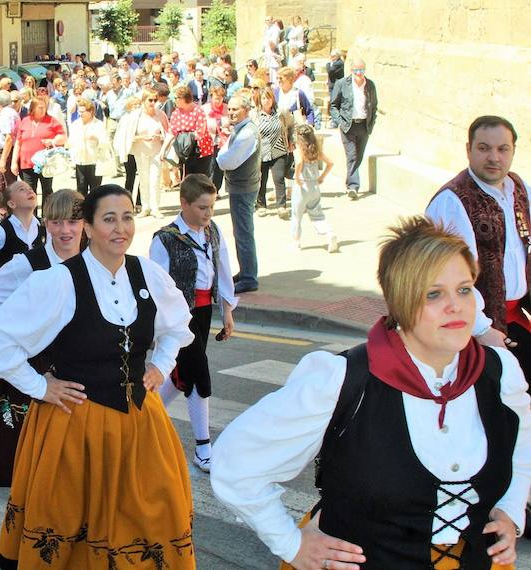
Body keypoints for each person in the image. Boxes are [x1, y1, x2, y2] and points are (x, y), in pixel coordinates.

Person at [212, 216, 531, 570]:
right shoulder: (342, 380)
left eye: (464, 288)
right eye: (433, 294)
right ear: (399, 302)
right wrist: (290, 543)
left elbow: (522, 443)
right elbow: (235, 463)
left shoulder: (498, 373)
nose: (455, 305)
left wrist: (510, 509)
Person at [0, 184, 196, 569]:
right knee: (71, 520)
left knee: (152, 517)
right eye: (108, 219)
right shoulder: (61, 281)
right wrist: (39, 385)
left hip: (141, 426)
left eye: (127, 217)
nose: (120, 228)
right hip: (75, 425)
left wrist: (160, 365)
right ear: (91, 228)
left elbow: (178, 327)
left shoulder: (147, 274)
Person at [0, 189, 84, 488]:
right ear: (45, 223)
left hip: (76, 371)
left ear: (84, 223)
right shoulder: (29, 263)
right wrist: (19, 345)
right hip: (34, 371)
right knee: (30, 463)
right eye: (56, 222)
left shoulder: (92, 261)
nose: (65, 230)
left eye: (73, 221)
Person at [426, 116, 531, 385]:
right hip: (472, 326)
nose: (494, 157)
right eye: (484, 148)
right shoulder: (453, 201)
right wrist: (482, 330)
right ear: (468, 150)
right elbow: (447, 279)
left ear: (513, 151)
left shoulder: (518, 188)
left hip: (515, 317)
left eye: (502, 149)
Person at [150, 174, 237, 473]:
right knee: (199, 375)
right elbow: (157, 287)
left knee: (182, 376)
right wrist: (160, 327)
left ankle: (143, 413)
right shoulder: (164, 238)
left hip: (203, 312)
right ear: (183, 203)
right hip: (178, 317)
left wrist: (227, 311)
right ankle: (203, 448)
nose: (208, 213)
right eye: (202, 207)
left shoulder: (212, 231)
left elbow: (223, 269)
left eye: (211, 206)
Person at [217, 94, 261, 293]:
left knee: (244, 233)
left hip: (244, 187)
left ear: (246, 110)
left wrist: (221, 156)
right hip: (240, 186)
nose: (231, 113)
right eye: (230, 109)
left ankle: (249, 277)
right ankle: (245, 272)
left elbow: (227, 160)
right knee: (241, 232)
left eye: (235, 109)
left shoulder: (247, 133)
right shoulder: (241, 130)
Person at [329, 58, 378, 200]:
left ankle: (349, 182)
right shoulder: (342, 84)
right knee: (352, 155)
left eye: (361, 69)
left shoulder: (370, 86)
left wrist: (372, 123)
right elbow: (333, 105)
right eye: (356, 70)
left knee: (359, 156)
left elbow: (374, 106)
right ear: (351, 70)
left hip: (364, 125)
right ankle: (353, 187)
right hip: (347, 126)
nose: (359, 73)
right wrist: (339, 121)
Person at [11, 96, 67, 206]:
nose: (43, 110)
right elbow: (18, 142)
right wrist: (14, 162)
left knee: (47, 190)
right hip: (27, 163)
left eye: (44, 107)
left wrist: (52, 141)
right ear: (33, 108)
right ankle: (32, 218)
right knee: (29, 192)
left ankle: (46, 217)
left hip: (46, 163)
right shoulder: (25, 121)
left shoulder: (51, 120)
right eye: (40, 107)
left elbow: (63, 137)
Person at [292, 124, 338, 252]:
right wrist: (322, 177)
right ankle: (329, 233)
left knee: (297, 215)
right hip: (314, 186)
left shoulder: (300, 150)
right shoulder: (316, 149)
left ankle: (296, 241)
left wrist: (296, 177)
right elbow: (330, 163)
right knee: (317, 214)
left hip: (302, 185)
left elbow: (299, 162)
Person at [254, 87, 293, 216]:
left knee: (279, 178)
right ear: (260, 100)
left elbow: (292, 125)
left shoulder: (281, 112)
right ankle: (260, 205)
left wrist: (291, 139)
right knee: (261, 179)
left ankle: (281, 206)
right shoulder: (254, 115)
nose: (266, 101)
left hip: (279, 150)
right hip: (261, 153)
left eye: (268, 97)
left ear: (273, 99)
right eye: (264, 98)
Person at [163, 86, 213, 177]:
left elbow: (200, 133)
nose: (174, 100)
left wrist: (185, 135)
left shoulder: (198, 111)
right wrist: (163, 151)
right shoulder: (176, 113)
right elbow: (171, 132)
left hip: (201, 151)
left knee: (201, 180)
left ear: (183, 98)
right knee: (187, 179)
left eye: (176, 98)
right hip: (184, 151)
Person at [68, 97, 107, 196]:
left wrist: (97, 139)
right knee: (81, 190)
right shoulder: (75, 124)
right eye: (79, 111)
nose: (80, 114)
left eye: (83, 112)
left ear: (91, 111)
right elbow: (71, 143)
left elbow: (106, 143)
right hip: (80, 162)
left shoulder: (99, 125)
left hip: (94, 162)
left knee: (95, 191)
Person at [326, 51, 345, 127]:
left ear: (337, 56)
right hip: (332, 85)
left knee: (334, 103)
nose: (331, 58)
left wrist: (328, 64)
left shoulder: (339, 63)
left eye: (333, 56)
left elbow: (330, 71)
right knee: (332, 102)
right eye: (331, 56)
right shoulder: (333, 63)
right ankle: (334, 119)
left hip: (336, 86)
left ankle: (335, 121)